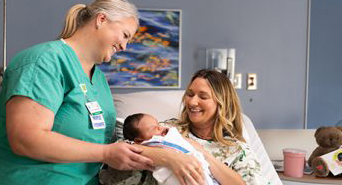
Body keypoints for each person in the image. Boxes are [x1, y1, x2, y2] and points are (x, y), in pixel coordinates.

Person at [0, 1, 155, 184]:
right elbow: (26, 139)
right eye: (125, 35)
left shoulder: (98, 79)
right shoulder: (44, 62)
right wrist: (106, 153)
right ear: (101, 19)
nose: (124, 47)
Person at [100, 69, 269, 185]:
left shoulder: (237, 151)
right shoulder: (166, 129)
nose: (192, 102)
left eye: (203, 96)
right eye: (190, 94)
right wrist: (171, 158)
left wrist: (203, 155)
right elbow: (123, 153)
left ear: (221, 104)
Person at [123, 113, 219, 185]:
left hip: (198, 168)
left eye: (158, 123)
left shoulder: (169, 131)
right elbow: (127, 147)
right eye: (153, 128)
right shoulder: (146, 145)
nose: (161, 128)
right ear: (139, 140)